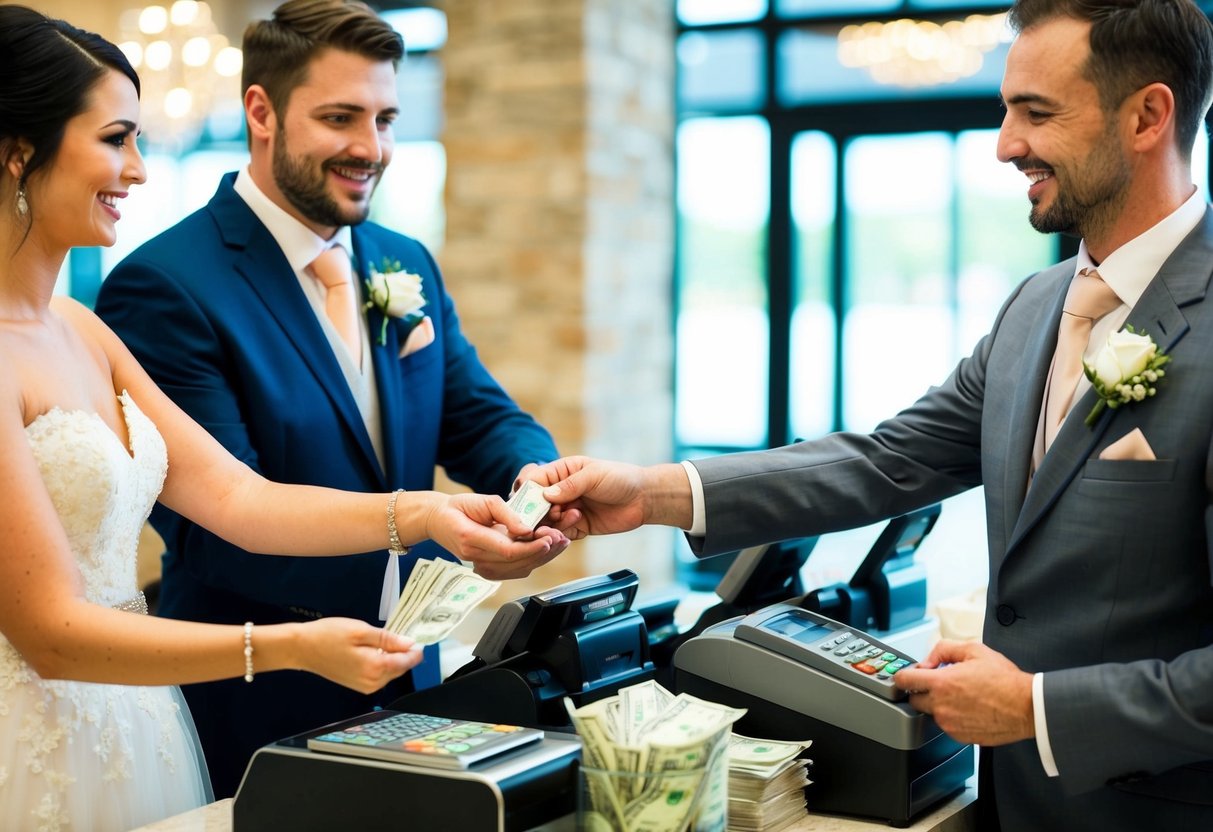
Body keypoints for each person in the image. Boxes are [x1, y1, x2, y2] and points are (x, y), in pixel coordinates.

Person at [520, 2, 1213, 830]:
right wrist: (652, 493)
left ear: (1147, 115)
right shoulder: (1035, 307)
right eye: (1004, 109)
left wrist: (1038, 707)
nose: (1004, 143)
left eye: (1036, 112)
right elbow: (885, 460)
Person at [0, 6, 566, 829]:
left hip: (141, 729)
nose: (140, 170)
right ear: (20, 152)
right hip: (56, 725)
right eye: (116, 139)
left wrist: (427, 514)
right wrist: (287, 645)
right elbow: (51, 629)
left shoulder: (81, 329)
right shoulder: (153, 289)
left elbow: (238, 496)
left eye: (383, 119)